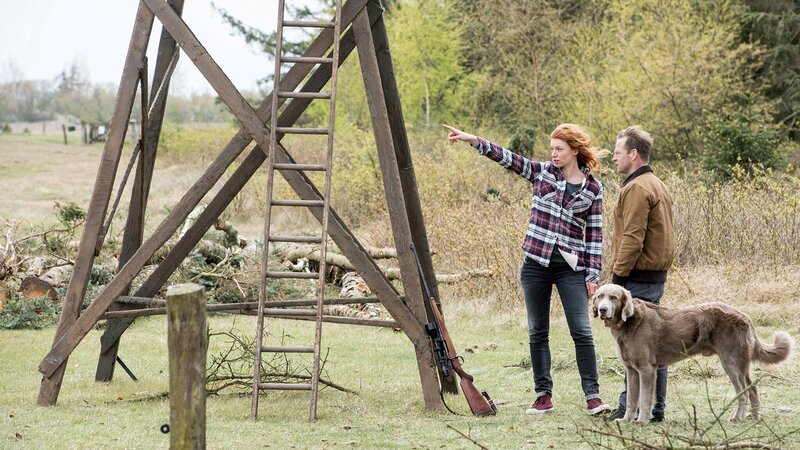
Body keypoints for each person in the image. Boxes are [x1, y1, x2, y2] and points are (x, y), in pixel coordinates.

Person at [443, 123, 612, 416]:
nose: (554, 154)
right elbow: (507, 157)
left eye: (559, 149)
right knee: (538, 331)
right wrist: (473, 140)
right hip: (535, 265)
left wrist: (592, 274)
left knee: (582, 331)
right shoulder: (542, 173)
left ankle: (593, 397)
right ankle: (543, 395)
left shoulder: (593, 189)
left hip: (571, 269)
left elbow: (595, 235)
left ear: (574, 150)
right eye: (552, 149)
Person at [607, 125, 676, 422]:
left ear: (633, 154)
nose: (613, 158)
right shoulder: (657, 183)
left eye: (617, 152)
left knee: (635, 346)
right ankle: (653, 407)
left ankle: (631, 408)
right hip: (653, 275)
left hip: (638, 277)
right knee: (653, 346)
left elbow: (632, 238)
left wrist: (617, 280)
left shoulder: (636, 188)